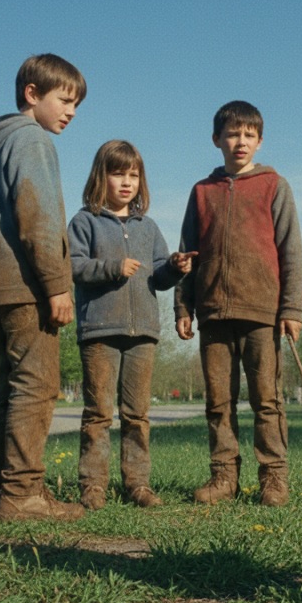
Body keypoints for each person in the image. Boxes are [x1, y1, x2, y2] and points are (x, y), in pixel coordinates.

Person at [0, 53, 86, 523]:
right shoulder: (32, 140)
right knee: (36, 385)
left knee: (4, 386)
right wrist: (57, 286)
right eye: (64, 99)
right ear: (32, 95)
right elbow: (38, 218)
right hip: (25, 283)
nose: (71, 111)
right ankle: (22, 497)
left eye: (77, 104)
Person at [175, 100, 302, 507]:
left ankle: (274, 478)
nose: (240, 142)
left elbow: (291, 252)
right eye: (232, 134)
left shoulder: (275, 186)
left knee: (267, 399)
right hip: (213, 312)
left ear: (260, 141)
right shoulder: (201, 192)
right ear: (217, 140)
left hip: (263, 313)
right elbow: (186, 255)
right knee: (218, 401)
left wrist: (291, 309)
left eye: (249, 135)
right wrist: (183, 308)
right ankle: (224, 477)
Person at [69, 140, 195, 510]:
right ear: (100, 176)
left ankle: (137, 485)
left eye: (134, 175)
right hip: (99, 331)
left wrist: (174, 266)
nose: (127, 182)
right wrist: (112, 267)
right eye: (118, 173)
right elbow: (72, 266)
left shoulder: (149, 227)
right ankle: (93, 487)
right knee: (97, 413)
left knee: (137, 415)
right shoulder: (84, 221)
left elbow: (159, 276)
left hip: (143, 333)